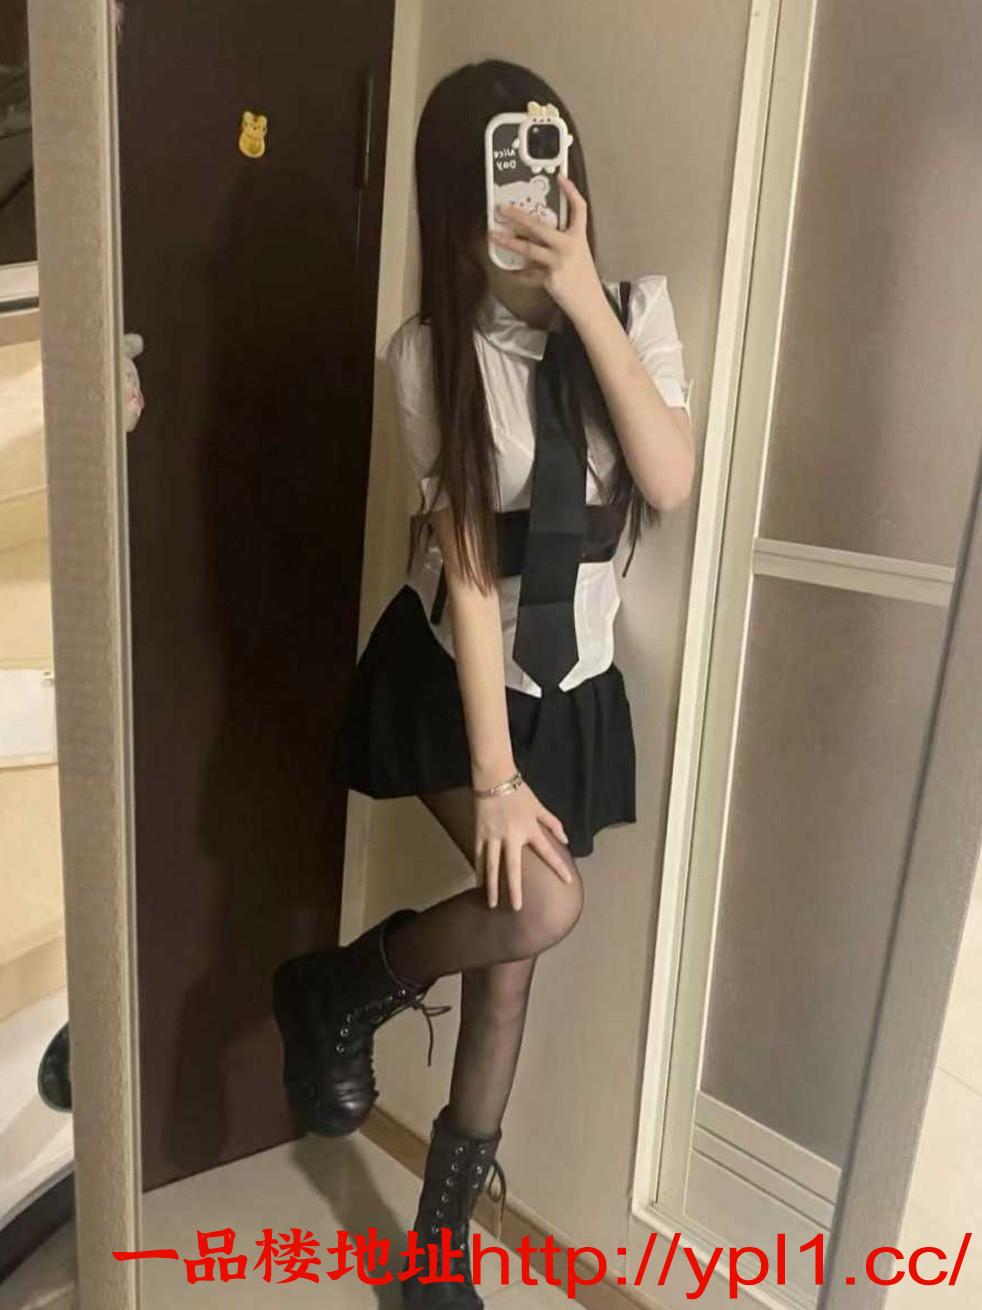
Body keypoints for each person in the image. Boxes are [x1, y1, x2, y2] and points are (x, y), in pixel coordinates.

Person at [273, 59, 694, 1308]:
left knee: (513, 961)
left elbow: (667, 479)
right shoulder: (430, 354)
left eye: (539, 168)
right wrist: (496, 780)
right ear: (452, 203)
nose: (522, 199)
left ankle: (435, 1255)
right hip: (459, 674)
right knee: (540, 904)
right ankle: (341, 985)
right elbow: (464, 566)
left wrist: (582, 298)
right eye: (494, 179)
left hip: (573, 682)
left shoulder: (635, 312)